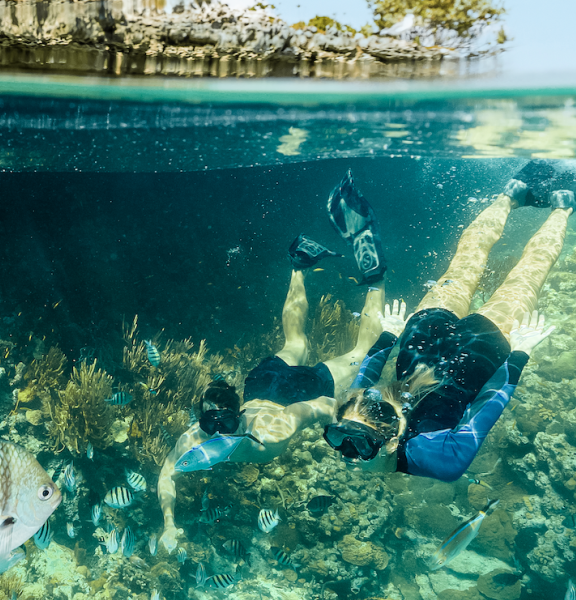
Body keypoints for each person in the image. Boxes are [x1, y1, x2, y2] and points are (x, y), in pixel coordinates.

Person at [322, 159, 576, 481]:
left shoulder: (441, 461)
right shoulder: (442, 460)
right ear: (391, 442)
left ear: (393, 443)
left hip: (451, 343)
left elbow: (366, 379)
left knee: (489, 268)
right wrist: (518, 353)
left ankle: (524, 197)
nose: (346, 454)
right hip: (448, 344)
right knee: (513, 273)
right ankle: (553, 203)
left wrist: (389, 336)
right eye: (349, 444)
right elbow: (485, 409)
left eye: (344, 439)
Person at [156, 175, 401, 552]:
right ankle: (299, 262)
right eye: (210, 424)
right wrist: (169, 525)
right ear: (202, 418)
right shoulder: (197, 438)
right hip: (260, 382)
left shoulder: (273, 432)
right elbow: (166, 475)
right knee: (295, 342)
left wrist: (350, 431)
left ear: (237, 413)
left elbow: (319, 406)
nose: (218, 432)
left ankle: (374, 278)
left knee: (358, 353)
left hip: (289, 393)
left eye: (222, 423)